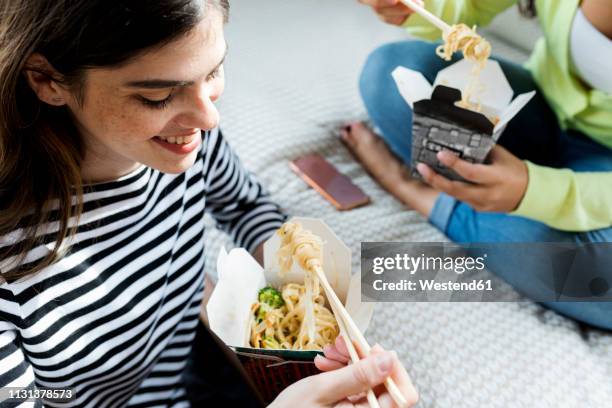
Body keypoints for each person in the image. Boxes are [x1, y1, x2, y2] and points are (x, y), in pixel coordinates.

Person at [0, 1, 418, 407]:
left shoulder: (187, 141)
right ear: (47, 80)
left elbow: (244, 207)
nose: (209, 118)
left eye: (214, 70)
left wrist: (309, 290)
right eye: (159, 95)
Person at [349, 0, 612, 329]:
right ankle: (483, 205)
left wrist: (533, 190)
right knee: (389, 72)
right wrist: (415, 6)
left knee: (598, 280)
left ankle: (420, 193)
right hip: (543, 105)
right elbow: (468, 6)